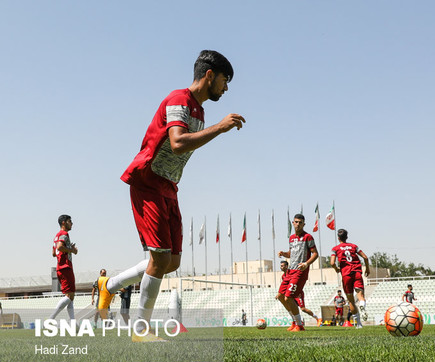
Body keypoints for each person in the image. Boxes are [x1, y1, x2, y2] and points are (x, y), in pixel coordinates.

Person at [103, 50, 245, 342]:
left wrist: (215, 127)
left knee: (172, 261)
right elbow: (178, 143)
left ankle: (111, 285)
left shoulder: (199, 110)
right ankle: (139, 329)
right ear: (209, 75)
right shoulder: (179, 99)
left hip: (168, 185)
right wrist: (221, 127)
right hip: (148, 181)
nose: (226, 87)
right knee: (160, 257)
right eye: (224, 80)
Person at [277, 214, 318, 332]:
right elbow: (291, 254)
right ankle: (294, 321)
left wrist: (306, 264)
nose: (298, 224)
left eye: (300, 222)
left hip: (300, 272)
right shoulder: (291, 238)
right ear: (293, 223)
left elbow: (315, 254)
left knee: (288, 297)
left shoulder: (308, 237)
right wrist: (284, 253)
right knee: (280, 296)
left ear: (304, 224)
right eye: (296, 222)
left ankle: (299, 325)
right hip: (290, 271)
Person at [330, 229, 370, 326]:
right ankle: (362, 305)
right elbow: (365, 257)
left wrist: (336, 268)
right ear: (347, 237)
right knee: (361, 296)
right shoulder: (354, 246)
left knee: (351, 300)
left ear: (338, 238)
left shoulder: (335, 248)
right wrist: (367, 269)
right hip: (356, 273)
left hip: (346, 275)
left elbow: (332, 262)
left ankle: (359, 324)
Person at [49, 215, 78, 320]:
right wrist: (72, 250)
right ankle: (51, 319)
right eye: (70, 221)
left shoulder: (57, 236)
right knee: (69, 296)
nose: (72, 223)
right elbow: (60, 247)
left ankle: (73, 322)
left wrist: (69, 248)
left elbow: (53, 253)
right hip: (65, 267)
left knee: (70, 296)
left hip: (60, 267)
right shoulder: (64, 234)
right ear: (63, 223)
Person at [279, 261, 322, 327]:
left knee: (303, 309)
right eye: (281, 266)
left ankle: (318, 318)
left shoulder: (292, 272)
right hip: (290, 293)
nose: (281, 267)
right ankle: (295, 322)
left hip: (297, 293)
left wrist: (298, 291)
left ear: (287, 266)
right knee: (289, 304)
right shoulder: (283, 276)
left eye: (282, 266)